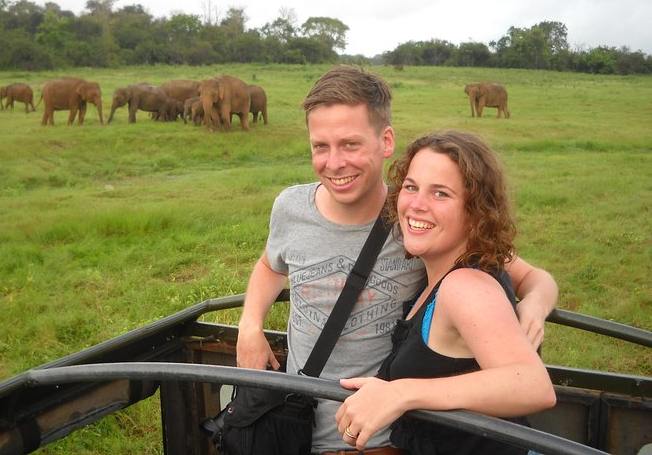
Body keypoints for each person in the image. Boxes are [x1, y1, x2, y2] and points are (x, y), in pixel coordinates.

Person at [236, 66, 558, 454]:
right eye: (320, 146)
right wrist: (250, 325)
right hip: (299, 421)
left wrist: (535, 306)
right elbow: (271, 264)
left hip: (385, 437)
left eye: (350, 144)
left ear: (385, 141)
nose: (334, 162)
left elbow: (527, 276)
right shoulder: (296, 208)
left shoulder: (414, 224)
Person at [334, 131, 557, 454]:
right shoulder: (469, 259)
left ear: (475, 210)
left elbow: (533, 386)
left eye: (440, 194)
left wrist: (402, 393)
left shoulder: (464, 285)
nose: (417, 205)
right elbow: (537, 277)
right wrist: (536, 301)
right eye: (411, 187)